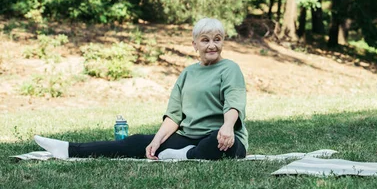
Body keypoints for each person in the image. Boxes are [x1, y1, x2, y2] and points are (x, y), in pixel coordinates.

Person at [34, 17, 248, 161]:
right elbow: (174, 116)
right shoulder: (187, 74)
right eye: (205, 40)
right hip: (189, 136)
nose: (212, 45)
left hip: (223, 137)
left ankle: (182, 155)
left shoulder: (229, 68)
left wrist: (227, 127)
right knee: (136, 141)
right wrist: (156, 141)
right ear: (195, 45)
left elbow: (233, 102)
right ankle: (70, 149)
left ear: (223, 42)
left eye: (217, 40)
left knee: (215, 142)